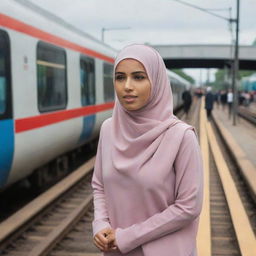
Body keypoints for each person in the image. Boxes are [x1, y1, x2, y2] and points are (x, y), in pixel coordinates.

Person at [91, 44, 203, 256]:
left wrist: (127, 237)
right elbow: (99, 185)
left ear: (157, 82)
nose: (127, 86)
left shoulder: (181, 136)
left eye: (139, 77)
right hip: (117, 251)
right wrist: (100, 224)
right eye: (120, 77)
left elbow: (188, 207)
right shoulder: (108, 130)